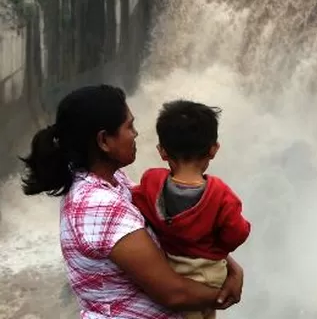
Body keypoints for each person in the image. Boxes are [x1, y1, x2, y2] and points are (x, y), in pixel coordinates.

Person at [20, 84, 243, 319]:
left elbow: (171, 224)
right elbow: (172, 294)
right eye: (130, 126)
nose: (136, 134)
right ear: (104, 140)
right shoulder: (99, 205)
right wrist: (226, 292)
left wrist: (225, 262)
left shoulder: (109, 179)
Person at [131, 100, 251, 319]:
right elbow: (237, 234)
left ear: (162, 151)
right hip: (210, 275)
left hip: (174, 272)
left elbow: (136, 204)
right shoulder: (222, 195)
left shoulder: (151, 182)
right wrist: (216, 247)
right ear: (214, 149)